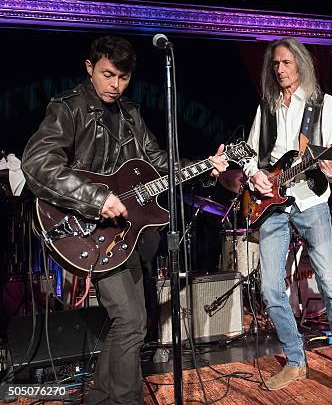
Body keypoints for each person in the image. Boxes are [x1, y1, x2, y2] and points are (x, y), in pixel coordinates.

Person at [21, 36, 228, 403]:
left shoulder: (130, 114)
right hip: (83, 227)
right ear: (90, 68)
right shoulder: (69, 108)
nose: (115, 85)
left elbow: (159, 164)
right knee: (131, 321)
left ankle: (102, 397)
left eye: (123, 78)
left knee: (132, 321)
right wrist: (96, 198)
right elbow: (37, 163)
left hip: (125, 234)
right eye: (107, 74)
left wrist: (205, 168)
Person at [243, 37, 332, 405]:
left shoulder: (322, 104)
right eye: (275, 65)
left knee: (331, 286)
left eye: (285, 63)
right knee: (269, 289)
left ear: (300, 63)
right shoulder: (265, 107)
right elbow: (252, 154)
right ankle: (295, 359)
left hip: (311, 201)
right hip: (272, 203)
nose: (279, 69)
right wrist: (256, 176)